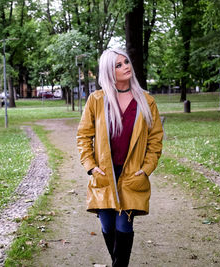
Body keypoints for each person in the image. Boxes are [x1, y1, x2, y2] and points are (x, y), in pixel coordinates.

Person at [76, 48, 163, 267]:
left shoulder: (146, 101)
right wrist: (91, 167)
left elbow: (155, 140)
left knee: (124, 226)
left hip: (132, 174)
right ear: (109, 71)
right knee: (107, 226)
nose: (126, 67)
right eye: (118, 65)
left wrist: (147, 168)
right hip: (104, 174)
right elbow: (83, 136)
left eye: (126, 62)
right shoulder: (97, 100)